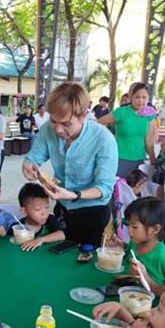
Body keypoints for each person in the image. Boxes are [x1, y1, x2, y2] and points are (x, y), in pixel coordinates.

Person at [23, 82, 118, 246]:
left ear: (83, 116)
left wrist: (74, 195)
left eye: (66, 124)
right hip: (62, 207)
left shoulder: (103, 139)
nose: (58, 129)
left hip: (92, 211)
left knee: (87, 255)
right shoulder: (47, 129)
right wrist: (28, 165)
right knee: (57, 252)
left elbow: (104, 188)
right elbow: (33, 158)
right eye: (54, 121)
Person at [112, 197, 165, 295]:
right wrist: (119, 249)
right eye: (128, 225)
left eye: (134, 227)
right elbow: (125, 260)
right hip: (125, 292)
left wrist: (144, 276)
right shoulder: (134, 243)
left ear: (155, 229)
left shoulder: (162, 256)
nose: (129, 230)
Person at [98, 83, 157, 177]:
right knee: (119, 185)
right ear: (131, 97)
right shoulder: (121, 112)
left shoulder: (150, 115)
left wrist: (153, 161)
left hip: (139, 160)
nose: (140, 100)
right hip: (120, 158)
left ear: (148, 98)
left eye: (144, 97)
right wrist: (106, 139)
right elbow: (98, 123)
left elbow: (149, 141)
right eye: (137, 97)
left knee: (137, 186)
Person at [11, 183, 65, 251]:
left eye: (47, 207)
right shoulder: (18, 227)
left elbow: (62, 235)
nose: (44, 213)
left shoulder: (50, 220)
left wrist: (41, 239)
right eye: (38, 209)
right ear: (24, 211)